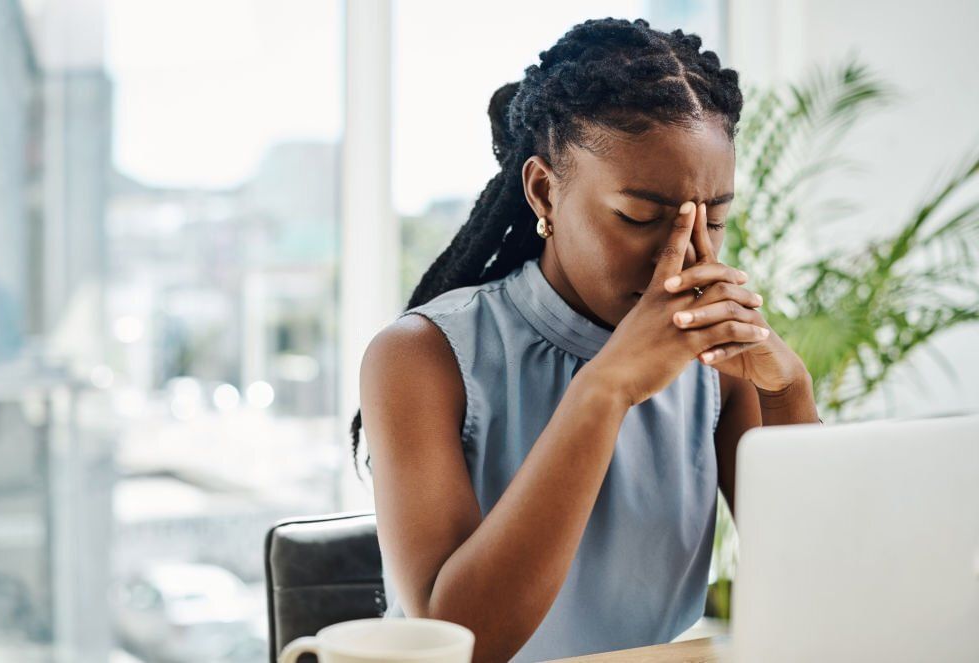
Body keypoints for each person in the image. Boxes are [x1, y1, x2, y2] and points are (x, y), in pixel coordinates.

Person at [351, 17, 820, 663]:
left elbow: (821, 582)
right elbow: (463, 642)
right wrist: (606, 386)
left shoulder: (716, 363)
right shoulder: (422, 357)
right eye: (640, 217)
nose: (686, 258)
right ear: (545, 190)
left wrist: (789, 389)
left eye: (715, 218)